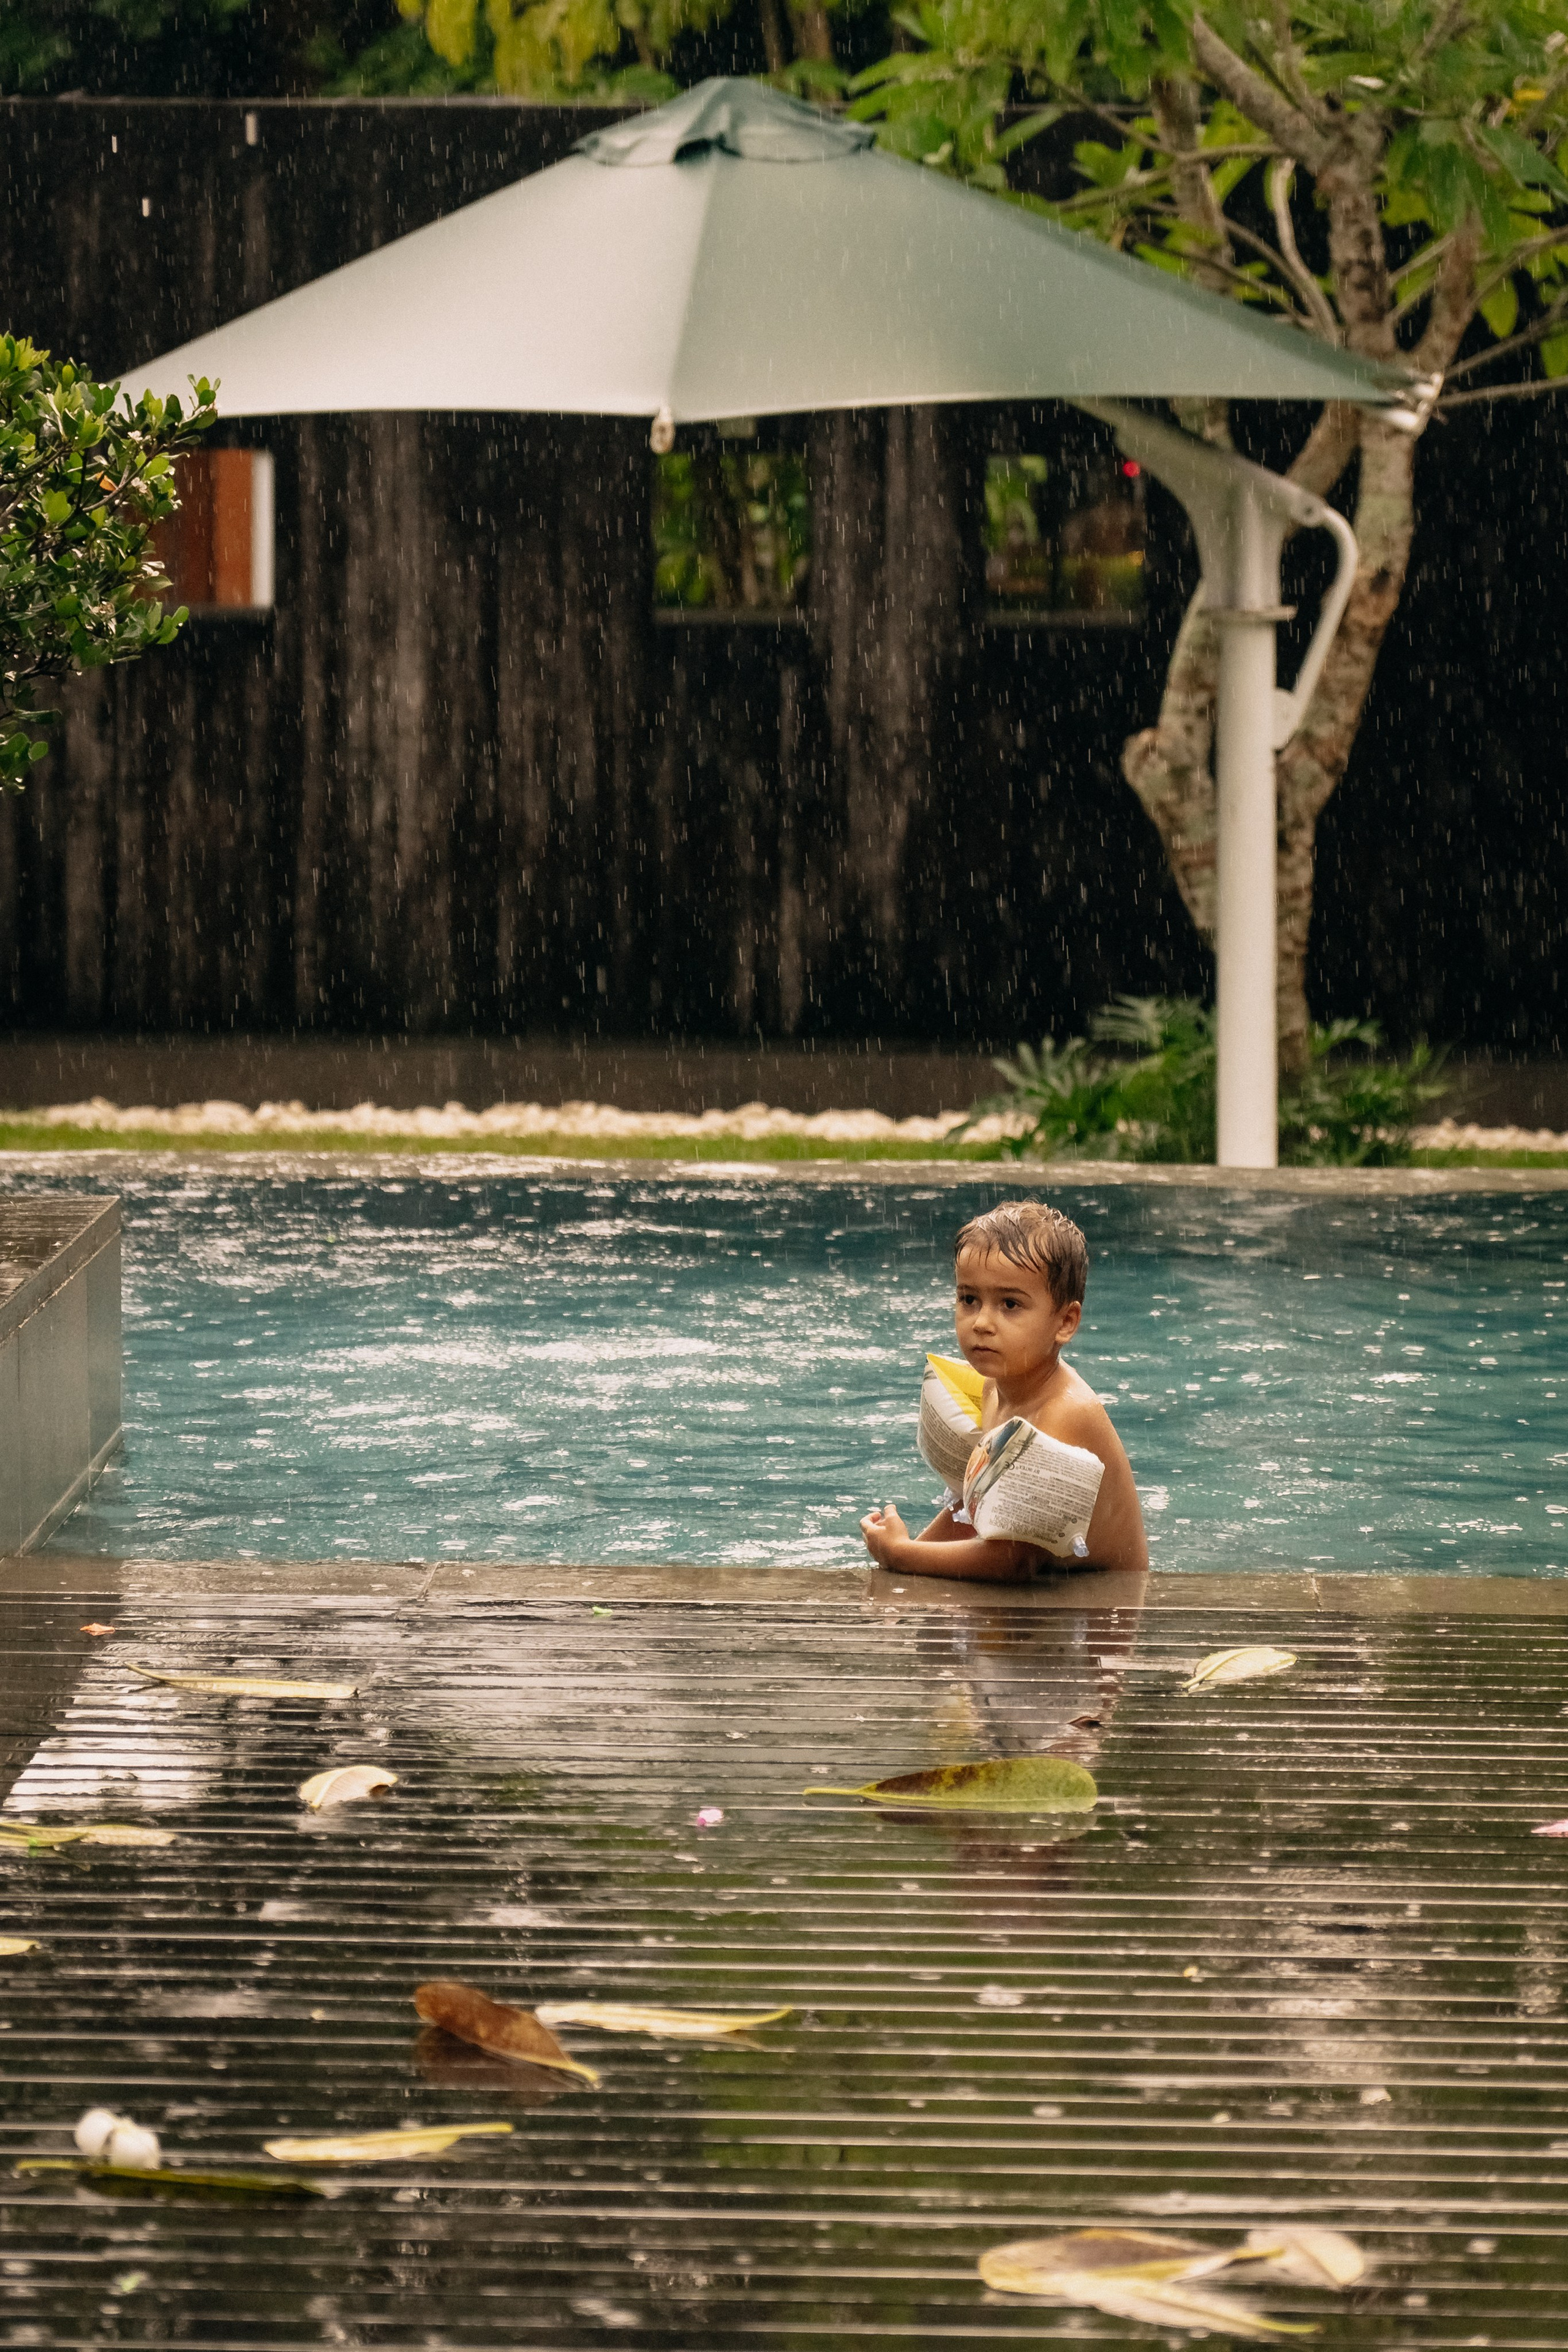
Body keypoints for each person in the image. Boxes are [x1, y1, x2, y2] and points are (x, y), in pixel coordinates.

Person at [861, 1198, 1148, 1582]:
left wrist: (903, 1553)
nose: (981, 1322)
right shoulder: (996, 1391)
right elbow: (978, 1504)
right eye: (969, 1299)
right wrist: (904, 1553)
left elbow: (1014, 1560)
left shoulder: (1063, 1415)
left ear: (1065, 1321)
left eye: (1010, 1304)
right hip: (1049, 1595)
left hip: (1102, 1612)